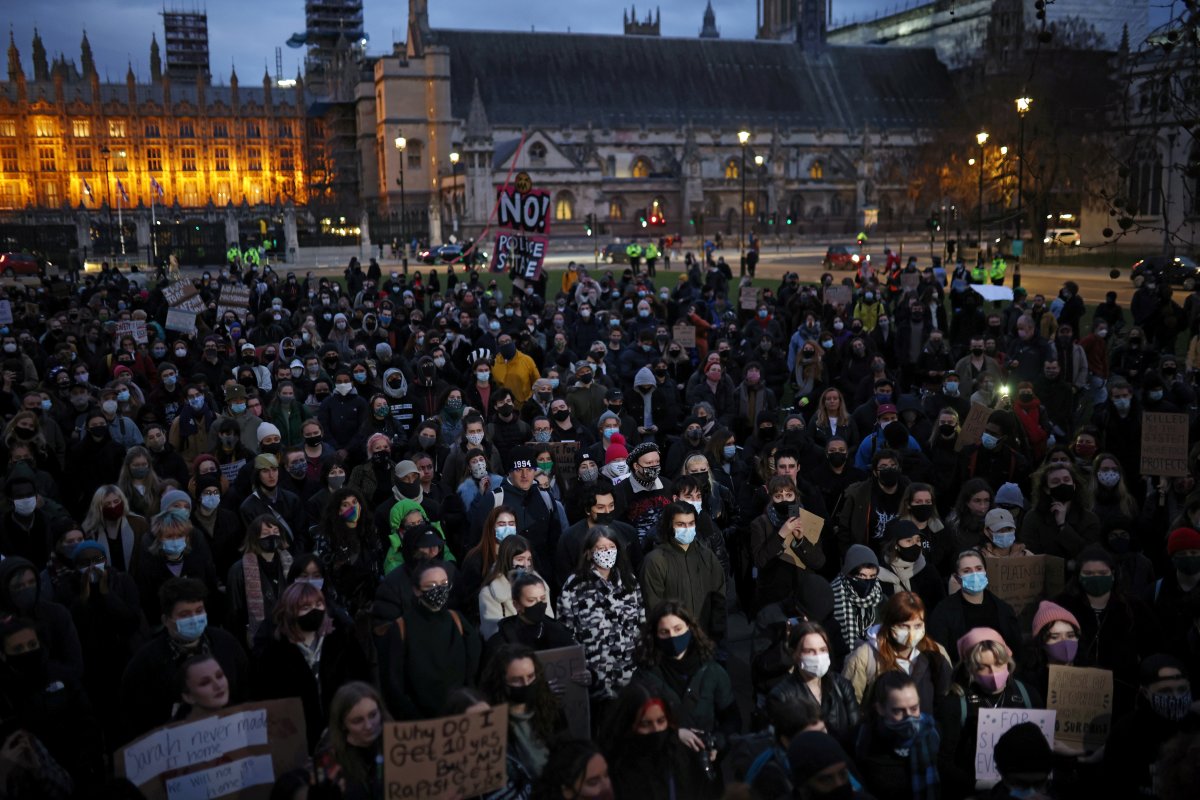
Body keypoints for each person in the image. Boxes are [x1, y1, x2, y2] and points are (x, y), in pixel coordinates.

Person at [119, 578, 249, 742]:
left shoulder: (226, 645)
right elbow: (135, 720)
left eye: (199, 611)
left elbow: (246, 690)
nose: (194, 619)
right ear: (166, 620)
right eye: (185, 615)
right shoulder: (145, 664)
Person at [251, 581, 370, 751]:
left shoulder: (342, 640)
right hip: (299, 743)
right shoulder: (274, 655)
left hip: (346, 736)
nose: (314, 610)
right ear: (291, 612)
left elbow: (362, 680)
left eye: (318, 604)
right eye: (306, 607)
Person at [935, 629, 1041, 796]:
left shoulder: (1028, 695)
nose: (993, 673)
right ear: (970, 669)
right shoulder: (955, 703)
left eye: (999, 663)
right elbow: (943, 762)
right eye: (983, 667)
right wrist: (975, 784)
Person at [375, 560, 481, 719]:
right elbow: (393, 685)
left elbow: (473, 670)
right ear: (416, 590)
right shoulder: (401, 628)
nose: (439, 590)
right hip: (419, 725)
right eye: (431, 586)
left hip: (460, 717)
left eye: (444, 583)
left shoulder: (457, 620)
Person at [632, 601, 740, 754]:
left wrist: (717, 742)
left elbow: (732, 720)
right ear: (655, 635)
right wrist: (673, 735)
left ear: (689, 628)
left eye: (678, 629)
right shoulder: (645, 676)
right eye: (665, 632)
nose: (673, 637)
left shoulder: (712, 671)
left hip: (703, 765)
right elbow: (632, 726)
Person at [558, 526, 646, 707]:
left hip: (629, 675)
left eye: (611, 548)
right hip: (594, 678)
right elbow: (566, 631)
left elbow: (641, 624)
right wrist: (580, 668)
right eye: (601, 548)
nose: (607, 553)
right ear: (589, 553)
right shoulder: (575, 585)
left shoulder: (629, 582)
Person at [597, 682, 719, 800]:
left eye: (661, 721)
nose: (656, 730)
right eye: (645, 724)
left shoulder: (681, 761)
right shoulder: (609, 770)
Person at [1103, 654, 1200, 797]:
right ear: (1145, 693)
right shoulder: (1126, 731)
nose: (1176, 697)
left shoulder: (1195, 727)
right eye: (1165, 691)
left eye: (1182, 690)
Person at [842, 591, 951, 713]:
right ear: (889, 625)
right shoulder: (864, 657)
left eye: (917, 626)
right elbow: (850, 707)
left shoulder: (936, 652)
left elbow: (947, 701)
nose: (911, 633)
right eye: (904, 626)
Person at [639, 502, 727, 644]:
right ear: (669, 526)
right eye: (681, 524)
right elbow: (653, 606)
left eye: (691, 523)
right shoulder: (655, 561)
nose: (687, 529)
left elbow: (719, 593)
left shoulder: (706, 555)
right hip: (673, 640)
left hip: (704, 637)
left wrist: (717, 628)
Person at [768, 621, 861, 751]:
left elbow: (856, 732)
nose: (818, 657)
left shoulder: (841, 685)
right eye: (809, 651)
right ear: (794, 654)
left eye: (823, 650)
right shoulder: (781, 696)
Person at [854, 671, 943, 800]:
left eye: (914, 708)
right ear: (880, 709)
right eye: (898, 711)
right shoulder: (862, 740)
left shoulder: (931, 732)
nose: (909, 717)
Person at [480, 643, 563, 781]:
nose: (526, 684)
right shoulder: (491, 725)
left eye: (530, 677)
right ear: (501, 682)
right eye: (516, 680)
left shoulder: (550, 709)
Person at [926, 549, 1022, 664]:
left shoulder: (1003, 609)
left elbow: (1016, 650)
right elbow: (938, 656)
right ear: (957, 578)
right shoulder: (943, 612)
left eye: (978, 569)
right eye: (967, 571)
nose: (974, 574)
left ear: (985, 571)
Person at [312, 681, 389, 800]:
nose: (369, 726)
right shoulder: (327, 759)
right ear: (343, 725)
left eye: (373, 715)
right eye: (358, 721)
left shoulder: (397, 744)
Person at [226, 514, 294, 646]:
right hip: (257, 637)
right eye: (266, 533)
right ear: (255, 537)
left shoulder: (291, 564)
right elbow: (234, 611)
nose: (272, 536)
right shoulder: (238, 570)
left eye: (275, 532)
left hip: (289, 634)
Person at [489, 571, 575, 653]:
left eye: (542, 598)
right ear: (516, 604)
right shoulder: (502, 640)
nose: (539, 604)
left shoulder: (559, 632)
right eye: (531, 600)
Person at [830, 545, 887, 658]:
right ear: (849, 573)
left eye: (872, 576)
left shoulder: (882, 600)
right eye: (862, 575)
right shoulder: (832, 598)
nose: (867, 581)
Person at [175, 654, 231, 720]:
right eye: (205, 683)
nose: (218, 686)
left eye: (219, 676)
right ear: (188, 697)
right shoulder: (173, 729)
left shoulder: (241, 714)